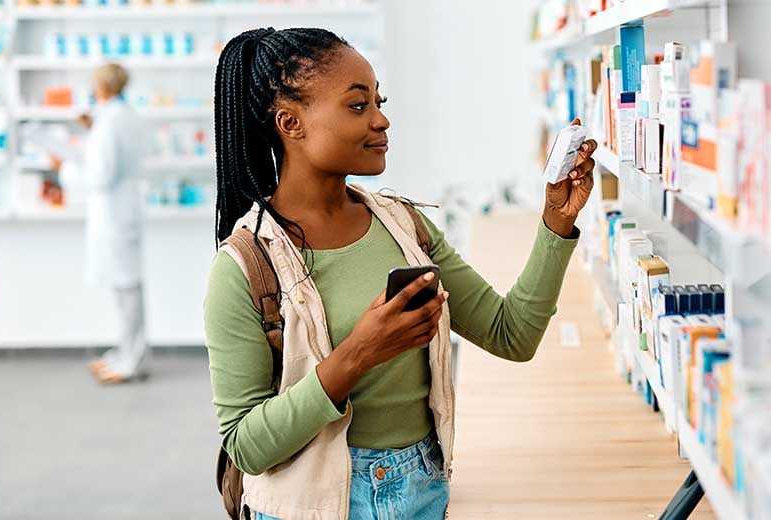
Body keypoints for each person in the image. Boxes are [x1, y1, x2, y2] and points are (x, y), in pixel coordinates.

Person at [203, 28, 597, 519]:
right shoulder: (244, 266)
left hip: (422, 491)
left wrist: (557, 221)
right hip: (310, 505)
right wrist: (358, 354)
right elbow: (246, 447)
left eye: (378, 102)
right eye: (357, 106)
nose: (381, 120)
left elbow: (511, 334)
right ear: (290, 122)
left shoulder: (405, 227)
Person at [52, 63, 150, 385]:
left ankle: (131, 360)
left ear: (101, 87)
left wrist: (65, 165)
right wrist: (91, 130)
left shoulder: (110, 123)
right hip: (121, 211)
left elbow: (100, 175)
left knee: (126, 288)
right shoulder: (120, 117)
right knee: (124, 287)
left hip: (114, 214)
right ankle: (125, 352)